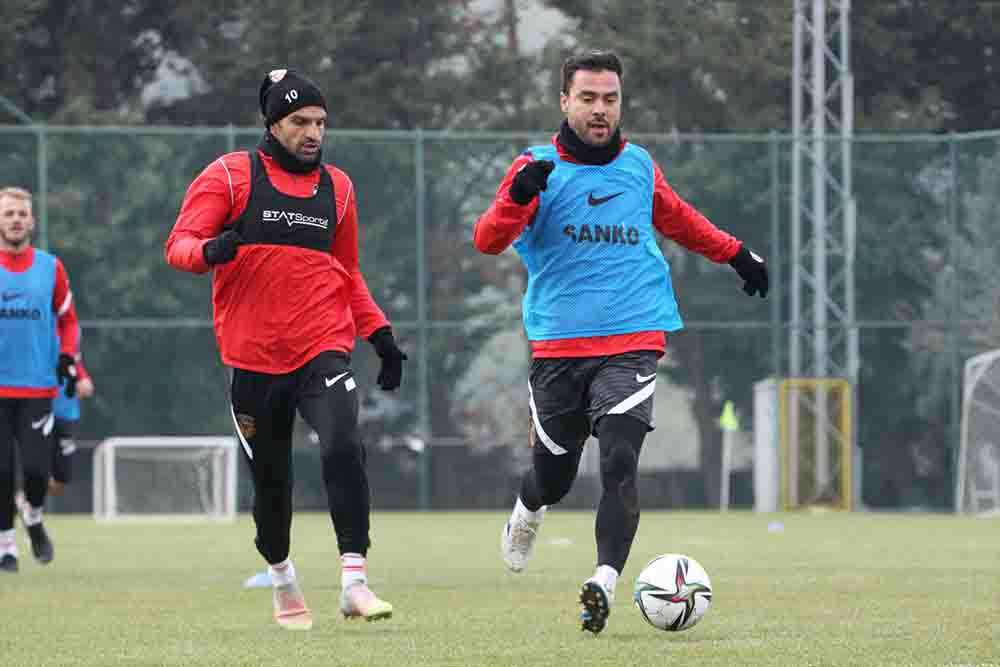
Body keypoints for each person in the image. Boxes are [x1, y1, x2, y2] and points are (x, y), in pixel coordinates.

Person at [473, 50, 769, 634]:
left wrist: (736, 254)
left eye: (609, 98)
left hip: (633, 339)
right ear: (565, 101)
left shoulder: (637, 165)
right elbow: (487, 239)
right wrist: (517, 197)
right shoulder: (534, 167)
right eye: (588, 98)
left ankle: (603, 581)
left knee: (619, 460)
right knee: (553, 478)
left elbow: (679, 218)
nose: (600, 109)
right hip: (559, 350)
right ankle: (528, 509)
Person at [165, 68, 407, 630]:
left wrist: (381, 335)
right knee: (272, 486)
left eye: (321, 122)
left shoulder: (339, 188)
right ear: (273, 124)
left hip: (322, 346)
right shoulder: (230, 176)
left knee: (343, 442)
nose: (313, 133)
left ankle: (355, 582)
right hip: (252, 359)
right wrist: (210, 250)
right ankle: (282, 578)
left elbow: (346, 271)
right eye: (301, 121)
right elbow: (177, 246)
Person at [0, 186, 81, 573]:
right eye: (8, 213)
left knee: (35, 470)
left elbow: (68, 320)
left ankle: (32, 517)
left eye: (21, 214)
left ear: (31, 220)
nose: (15, 220)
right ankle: (6, 547)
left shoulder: (51, 267)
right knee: (0, 471)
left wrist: (68, 356)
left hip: (36, 386)